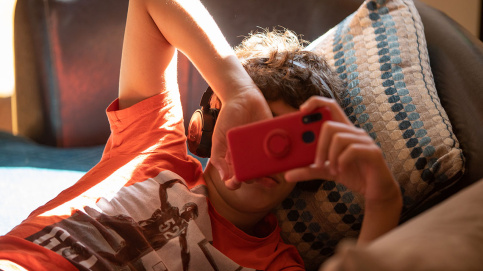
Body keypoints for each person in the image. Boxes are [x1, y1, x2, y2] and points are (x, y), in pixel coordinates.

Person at [0, 0, 402, 270]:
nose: (267, 148)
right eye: (251, 128)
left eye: (286, 142)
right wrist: (239, 90)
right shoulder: (154, 143)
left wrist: (383, 200)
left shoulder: (274, 263)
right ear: (203, 129)